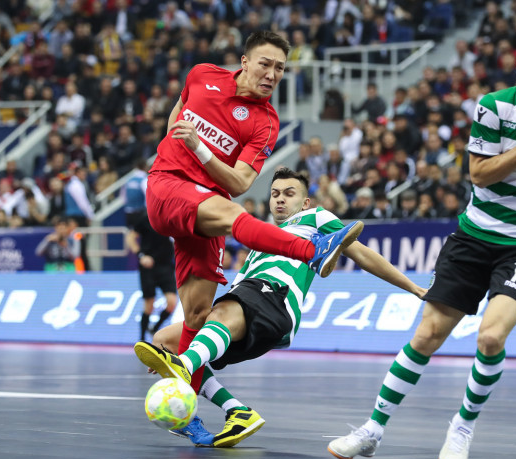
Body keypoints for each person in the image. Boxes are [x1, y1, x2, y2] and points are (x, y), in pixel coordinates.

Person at [327, 34, 516, 459]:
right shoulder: (492, 107)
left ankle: (463, 426)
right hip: (475, 235)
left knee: (490, 337)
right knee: (427, 334)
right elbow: (480, 174)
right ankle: (372, 429)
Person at [142, 30, 364, 413]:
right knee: (236, 216)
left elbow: (241, 182)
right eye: (265, 64)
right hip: (168, 185)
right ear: (244, 62)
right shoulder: (202, 75)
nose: (272, 74)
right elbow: (178, 112)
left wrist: (199, 148)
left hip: (208, 207)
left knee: (196, 319)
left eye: (280, 68)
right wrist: (174, 151)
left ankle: (215, 413)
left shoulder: (266, 122)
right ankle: (312, 251)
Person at [136, 168, 426, 447]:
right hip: (248, 306)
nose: (280, 199)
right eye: (275, 194)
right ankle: (237, 411)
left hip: (276, 299)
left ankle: (185, 365)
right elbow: (238, 288)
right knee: (165, 341)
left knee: (194, 344)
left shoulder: (315, 218)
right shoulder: (259, 237)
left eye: (289, 193)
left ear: (305, 202)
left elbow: (363, 254)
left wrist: (414, 287)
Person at [125, 213, 177, 341]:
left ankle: (155, 328)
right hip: (149, 267)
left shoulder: (172, 217)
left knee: (172, 302)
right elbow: (130, 237)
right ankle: (142, 339)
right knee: (149, 304)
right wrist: (141, 255)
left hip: (166, 266)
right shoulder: (146, 218)